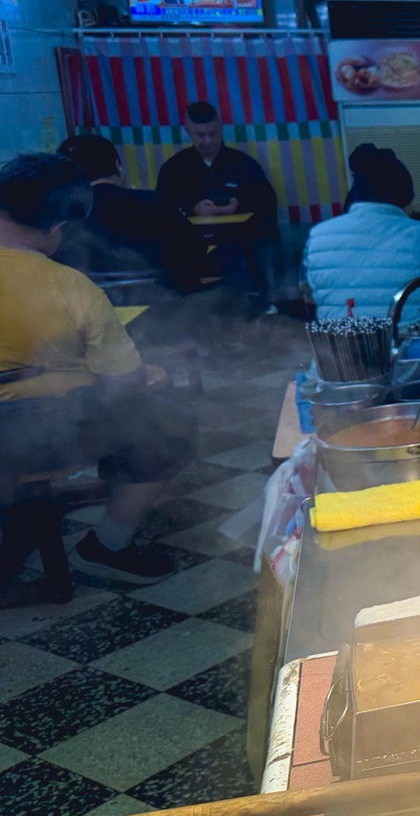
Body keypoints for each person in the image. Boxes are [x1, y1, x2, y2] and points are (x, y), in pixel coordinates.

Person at [0, 152, 196, 607]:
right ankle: (109, 544)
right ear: (59, 227)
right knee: (168, 427)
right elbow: (122, 381)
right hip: (37, 435)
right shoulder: (71, 288)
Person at [302, 144, 420, 322]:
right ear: (405, 198)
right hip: (411, 337)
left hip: (341, 338)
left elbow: (309, 299)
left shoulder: (316, 238)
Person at [53, 133, 213, 294]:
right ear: (118, 166)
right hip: (170, 303)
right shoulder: (155, 202)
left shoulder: (62, 220)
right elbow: (196, 248)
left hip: (98, 305)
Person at [157, 100, 278, 300]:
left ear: (220, 127)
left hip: (240, 245)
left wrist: (239, 205)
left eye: (212, 134)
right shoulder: (174, 168)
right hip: (191, 245)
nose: (207, 141)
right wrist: (192, 207)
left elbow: (266, 201)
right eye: (200, 135)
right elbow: (162, 206)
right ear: (188, 131)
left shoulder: (243, 165)